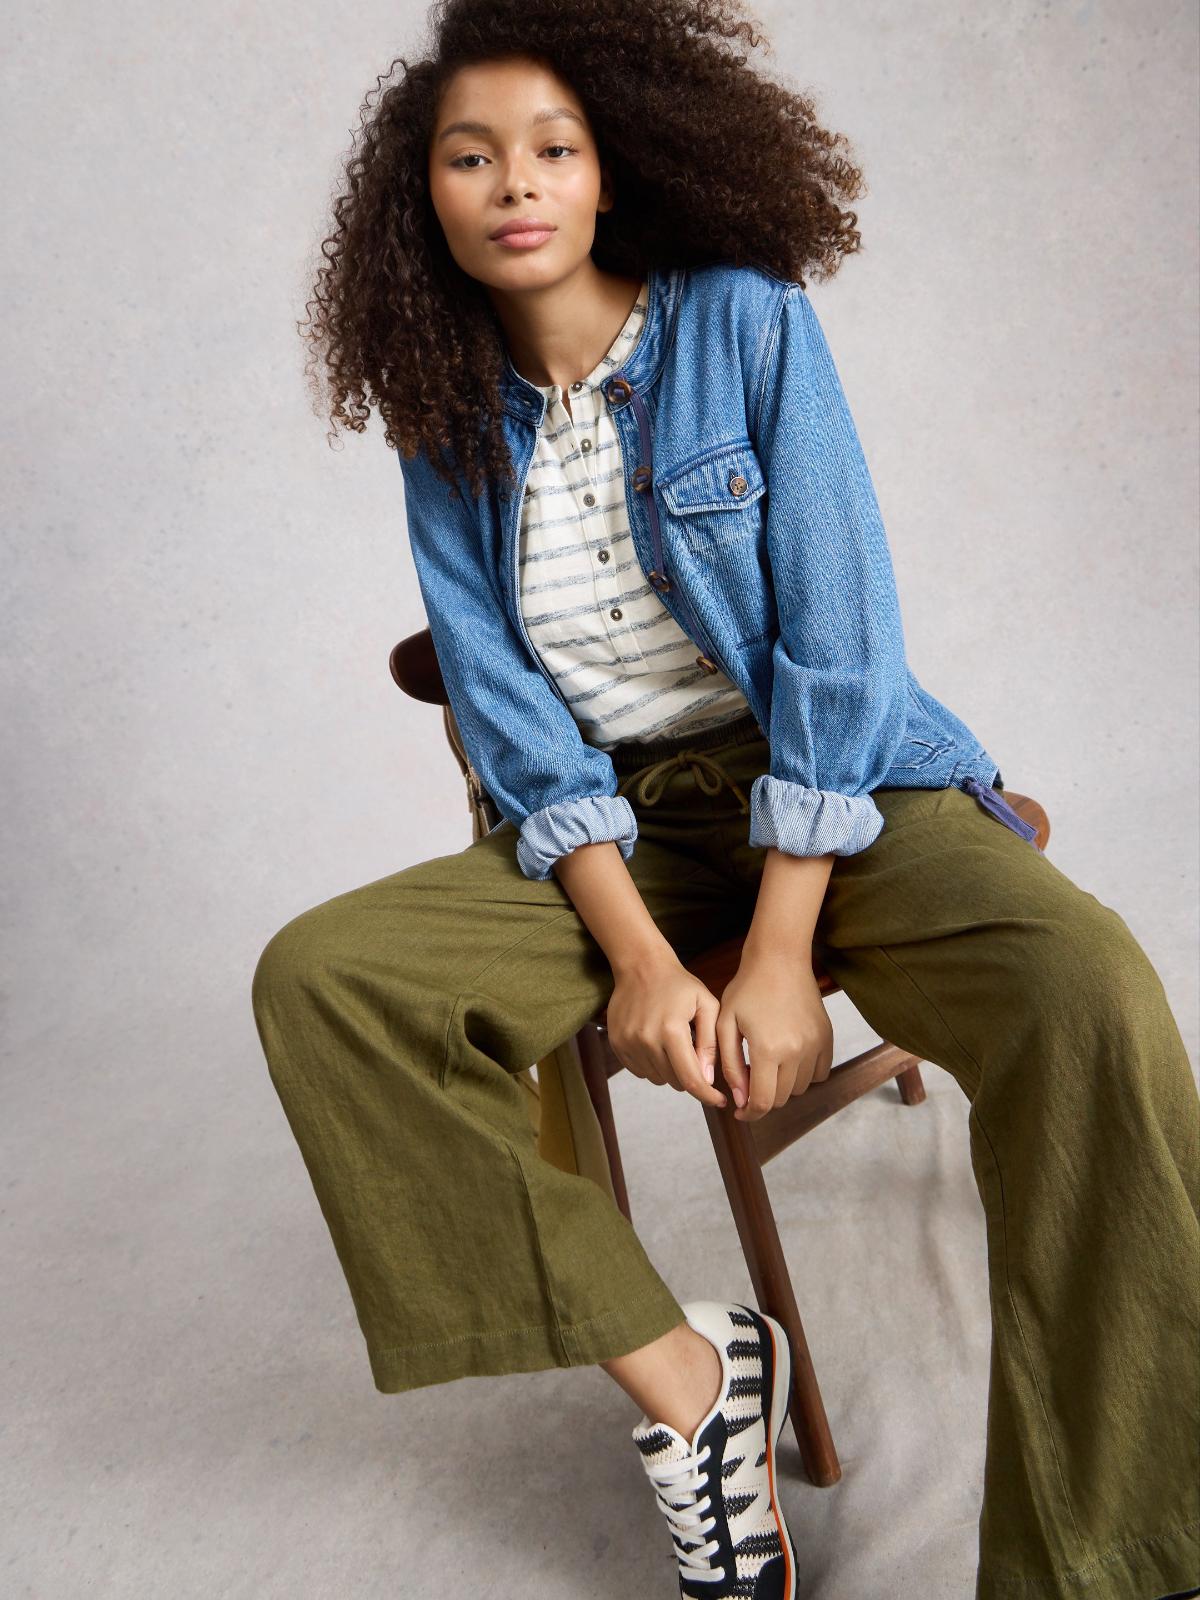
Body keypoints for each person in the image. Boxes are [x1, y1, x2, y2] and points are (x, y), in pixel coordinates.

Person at [251, 3, 1200, 1596]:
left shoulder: (743, 322)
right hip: (610, 833)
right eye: (470, 158)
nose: (515, 183)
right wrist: (637, 959)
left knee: (1091, 993)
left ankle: (1113, 1558)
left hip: (833, 787)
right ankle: (692, 1382)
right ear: (424, 198)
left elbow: (840, 641)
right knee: (324, 984)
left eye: (553, 147)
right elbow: (509, 717)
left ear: (614, 167)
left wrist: (775, 956)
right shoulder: (443, 413)